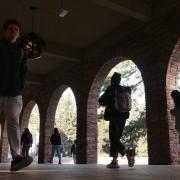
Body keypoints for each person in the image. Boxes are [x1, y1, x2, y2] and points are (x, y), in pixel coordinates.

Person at [0, 19, 33, 171]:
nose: (13, 32)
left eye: (16, 30)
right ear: (5, 31)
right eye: (11, 29)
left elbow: (24, 71)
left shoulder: (21, 51)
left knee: (13, 123)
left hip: (14, 93)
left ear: (19, 34)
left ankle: (16, 158)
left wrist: (20, 86)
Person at [98, 72, 132, 168]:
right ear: (119, 80)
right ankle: (116, 159)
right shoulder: (126, 89)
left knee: (114, 138)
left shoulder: (111, 89)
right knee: (116, 138)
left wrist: (105, 99)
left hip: (114, 116)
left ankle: (125, 153)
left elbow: (102, 101)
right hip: (123, 116)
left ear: (112, 80)